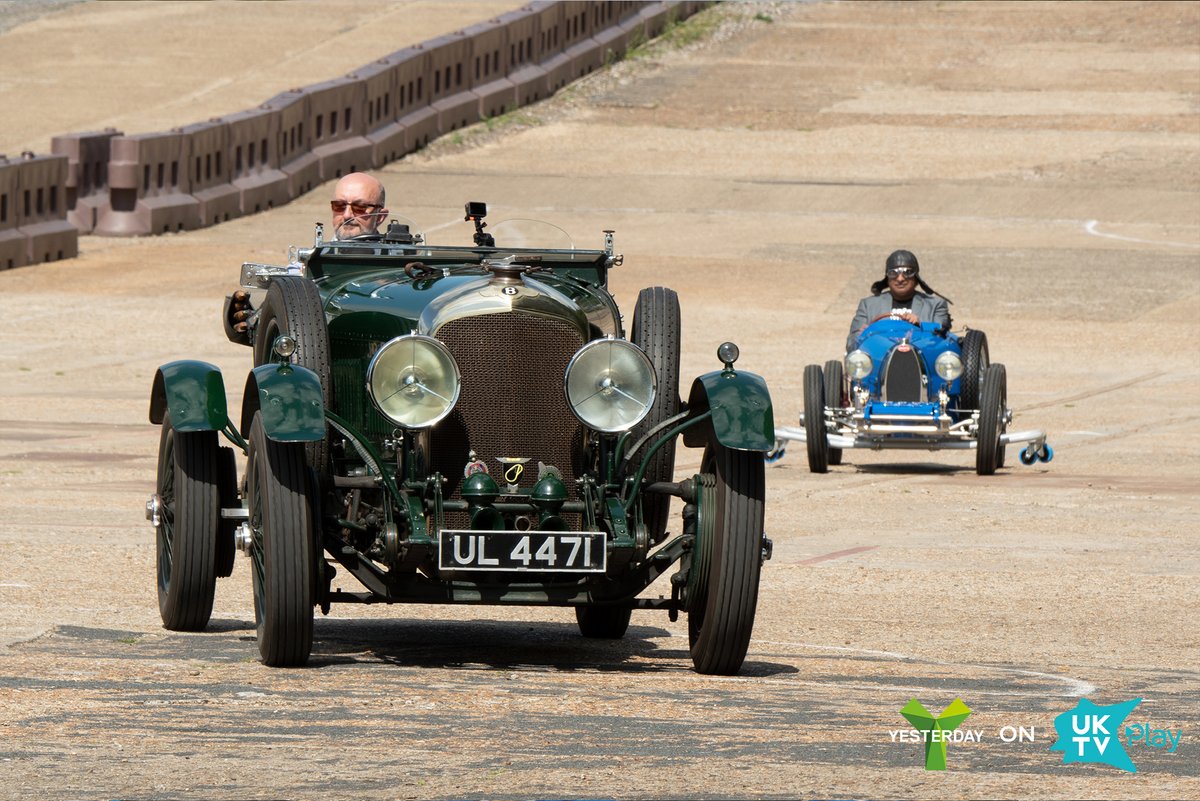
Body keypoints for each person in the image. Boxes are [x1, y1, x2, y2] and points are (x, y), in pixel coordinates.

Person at [225, 172, 389, 342]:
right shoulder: (307, 266)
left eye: (359, 208)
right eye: (339, 206)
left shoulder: (397, 265)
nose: (347, 215)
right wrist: (249, 317)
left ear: (381, 216)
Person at [846, 249, 951, 351]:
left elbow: (942, 342)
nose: (900, 278)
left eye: (907, 272)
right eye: (893, 273)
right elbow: (851, 345)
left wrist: (921, 325)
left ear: (916, 278)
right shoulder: (868, 305)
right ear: (887, 278)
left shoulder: (935, 305)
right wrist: (863, 337)